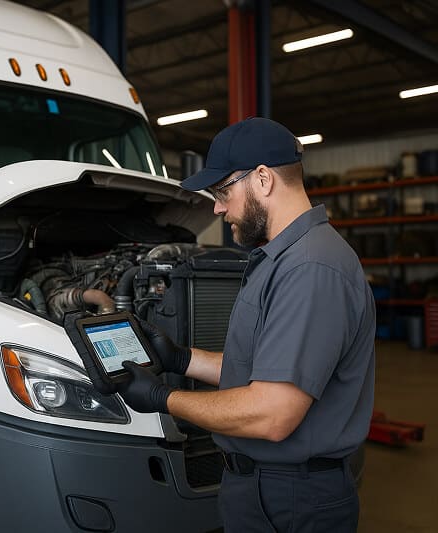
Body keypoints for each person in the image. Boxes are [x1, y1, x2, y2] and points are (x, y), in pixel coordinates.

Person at [118, 117, 375, 532]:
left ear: (262, 179)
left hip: (291, 500)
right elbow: (266, 372)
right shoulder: (284, 259)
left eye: (223, 192)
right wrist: (181, 359)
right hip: (268, 489)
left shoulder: (312, 268)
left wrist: (162, 398)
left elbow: (273, 413)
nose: (218, 208)